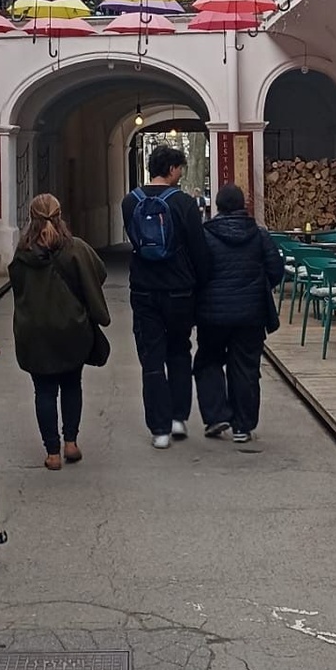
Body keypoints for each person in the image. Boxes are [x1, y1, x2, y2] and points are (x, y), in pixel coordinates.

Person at [8, 194, 110, 470]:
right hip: (71, 330)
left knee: (44, 391)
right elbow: (99, 273)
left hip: (35, 333)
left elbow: (18, 288)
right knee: (71, 384)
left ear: (31, 218)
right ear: (60, 215)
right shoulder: (75, 248)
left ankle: (52, 453)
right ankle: (71, 443)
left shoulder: (23, 253)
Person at [122, 144, 210, 450]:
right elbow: (198, 249)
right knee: (179, 351)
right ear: (172, 169)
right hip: (180, 290)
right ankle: (178, 418)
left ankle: (158, 429)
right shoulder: (183, 202)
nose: (181, 173)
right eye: (180, 168)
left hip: (144, 289)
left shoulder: (130, 201)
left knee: (152, 357)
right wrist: (202, 284)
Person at [194, 183, 285, 446]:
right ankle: (242, 427)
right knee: (245, 367)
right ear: (242, 205)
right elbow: (276, 270)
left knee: (207, 361)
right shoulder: (259, 235)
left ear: (217, 206)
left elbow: (197, 271)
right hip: (251, 315)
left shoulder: (206, 235)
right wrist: (258, 287)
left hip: (212, 314)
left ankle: (215, 415)